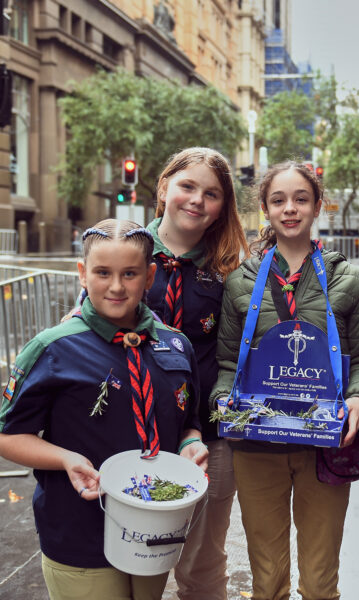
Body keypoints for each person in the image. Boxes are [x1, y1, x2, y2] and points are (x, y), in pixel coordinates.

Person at [0, 219, 208, 600]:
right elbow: (7, 436)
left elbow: (188, 422)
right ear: (82, 274)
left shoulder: (177, 345)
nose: (116, 286)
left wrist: (189, 446)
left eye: (129, 273)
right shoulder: (54, 348)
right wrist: (65, 458)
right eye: (102, 272)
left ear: (148, 277)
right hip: (78, 530)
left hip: (154, 531)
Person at [210, 160, 359, 600]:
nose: (290, 209)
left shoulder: (350, 280)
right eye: (279, 200)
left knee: (321, 584)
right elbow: (228, 365)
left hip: (323, 446)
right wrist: (224, 399)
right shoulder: (239, 284)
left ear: (318, 205)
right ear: (264, 208)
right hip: (257, 447)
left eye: (301, 199)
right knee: (266, 583)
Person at [145, 147, 248, 600]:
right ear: (165, 186)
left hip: (209, 434)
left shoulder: (232, 271)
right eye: (188, 186)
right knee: (135, 558)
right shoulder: (124, 250)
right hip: (133, 429)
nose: (197, 200)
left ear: (222, 206)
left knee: (203, 562)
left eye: (211, 194)